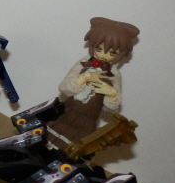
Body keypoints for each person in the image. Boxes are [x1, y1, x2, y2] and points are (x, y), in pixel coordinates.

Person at [46, 17, 140, 150]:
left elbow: (112, 109)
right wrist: (83, 79)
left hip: (87, 122)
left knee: (70, 150)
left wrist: (112, 94)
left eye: (112, 52)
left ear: (121, 54)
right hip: (67, 112)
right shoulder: (84, 63)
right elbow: (63, 88)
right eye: (99, 49)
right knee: (47, 140)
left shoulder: (114, 75)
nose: (104, 55)